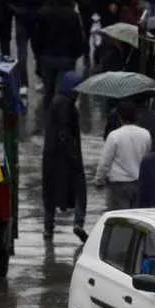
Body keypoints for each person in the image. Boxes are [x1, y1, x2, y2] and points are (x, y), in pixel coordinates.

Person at [42, 71, 87, 239]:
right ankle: (78, 222)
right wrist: (73, 154)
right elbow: (65, 131)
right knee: (79, 190)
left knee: (50, 192)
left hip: (51, 157)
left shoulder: (57, 101)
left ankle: (48, 227)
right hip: (66, 158)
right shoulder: (66, 105)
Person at [35, 0, 85, 109]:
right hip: (66, 58)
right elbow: (78, 38)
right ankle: (63, 118)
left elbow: (37, 38)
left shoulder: (43, 13)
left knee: (48, 91)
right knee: (64, 92)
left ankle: (48, 119)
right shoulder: (72, 15)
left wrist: (39, 56)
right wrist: (76, 54)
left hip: (47, 57)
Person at [95, 101, 152, 210]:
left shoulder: (114, 136)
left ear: (119, 117)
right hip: (139, 183)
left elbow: (105, 162)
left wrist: (99, 180)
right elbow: (147, 157)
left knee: (118, 219)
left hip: (118, 185)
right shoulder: (146, 134)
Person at [8, 0, 50, 92]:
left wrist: (16, 11)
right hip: (37, 19)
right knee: (38, 52)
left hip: (21, 19)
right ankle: (40, 79)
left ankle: (23, 84)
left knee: (22, 53)